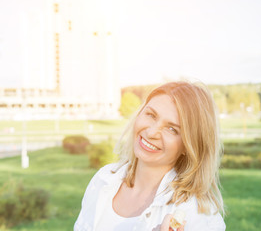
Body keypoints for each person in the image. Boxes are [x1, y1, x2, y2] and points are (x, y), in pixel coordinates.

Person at [74, 81, 226, 231]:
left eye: (172, 129)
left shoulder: (199, 216)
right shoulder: (104, 179)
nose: (152, 132)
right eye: (151, 115)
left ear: (189, 145)